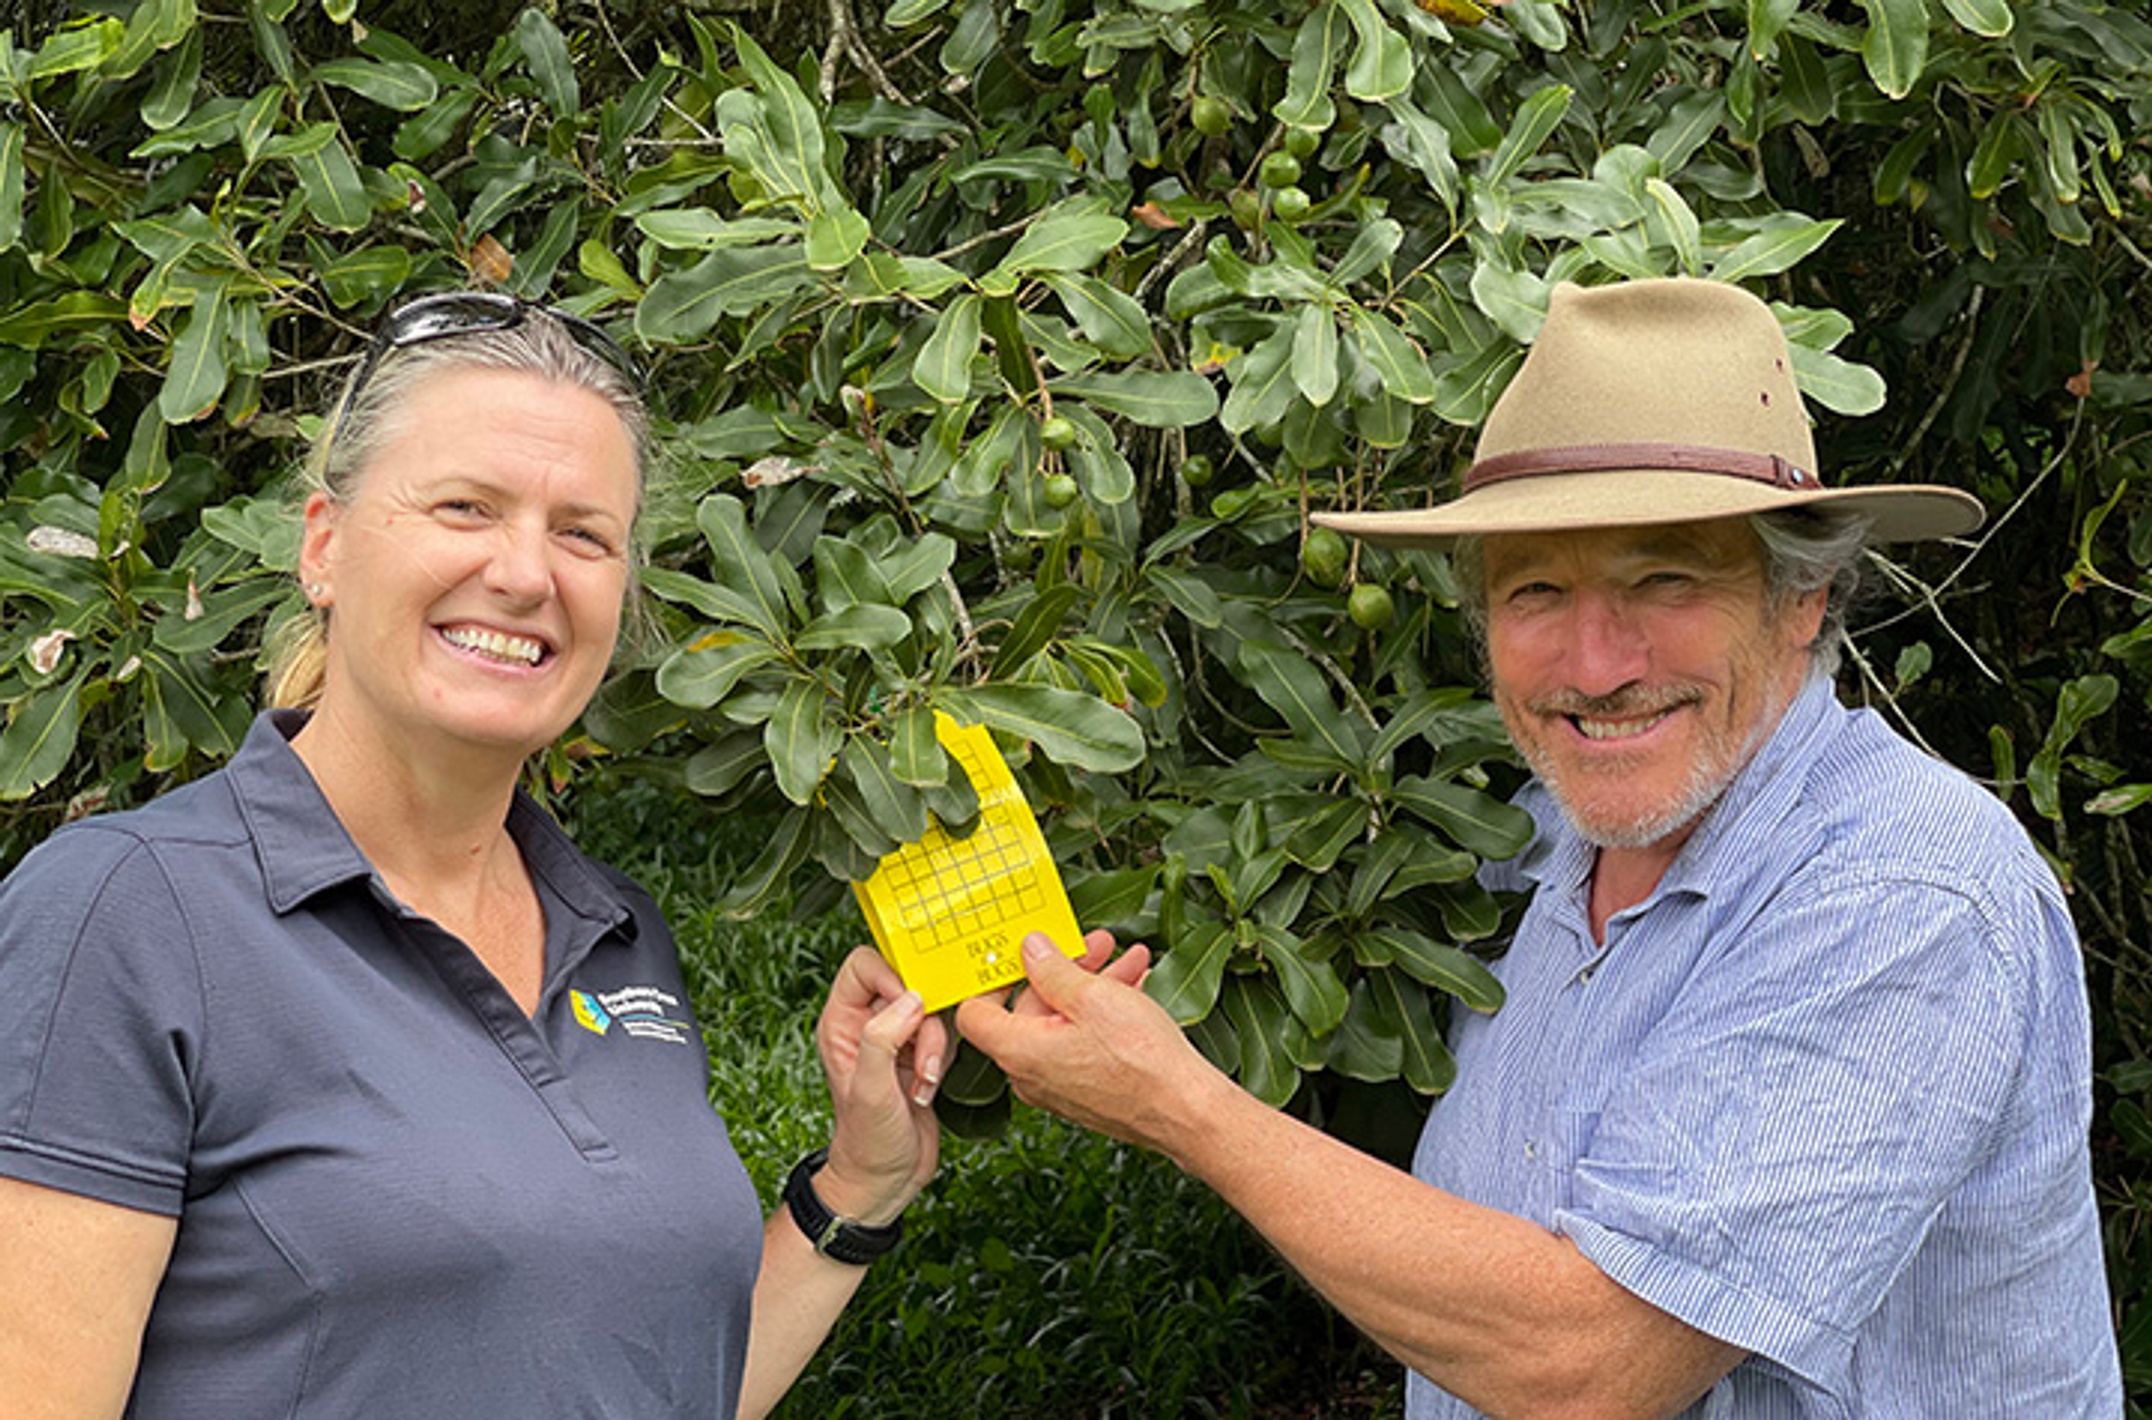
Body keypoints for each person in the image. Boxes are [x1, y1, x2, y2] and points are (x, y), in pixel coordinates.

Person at [958, 278, 2122, 1415]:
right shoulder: (1539, 843)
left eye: (1662, 577)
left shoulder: (1902, 890)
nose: (1594, 662)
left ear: (1801, 598)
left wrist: (1176, 1102)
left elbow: (1588, 1362)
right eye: (1535, 591)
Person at [0, 292, 952, 1418]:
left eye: (583, 533)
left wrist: (862, 1183)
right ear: (324, 546)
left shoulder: (616, 931)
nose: (524, 572)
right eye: (465, 507)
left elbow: (647, 1382)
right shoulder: (124, 913)